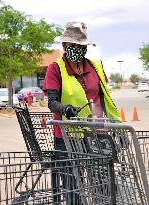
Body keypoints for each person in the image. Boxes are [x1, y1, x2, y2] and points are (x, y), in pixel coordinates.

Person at [43, 21, 121, 204]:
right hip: (68, 136)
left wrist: (118, 128)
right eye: (73, 45)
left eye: (81, 45)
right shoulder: (55, 68)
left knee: (102, 183)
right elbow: (52, 102)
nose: (77, 49)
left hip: (97, 133)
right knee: (73, 186)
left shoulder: (96, 66)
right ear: (64, 45)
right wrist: (66, 109)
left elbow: (106, 99)